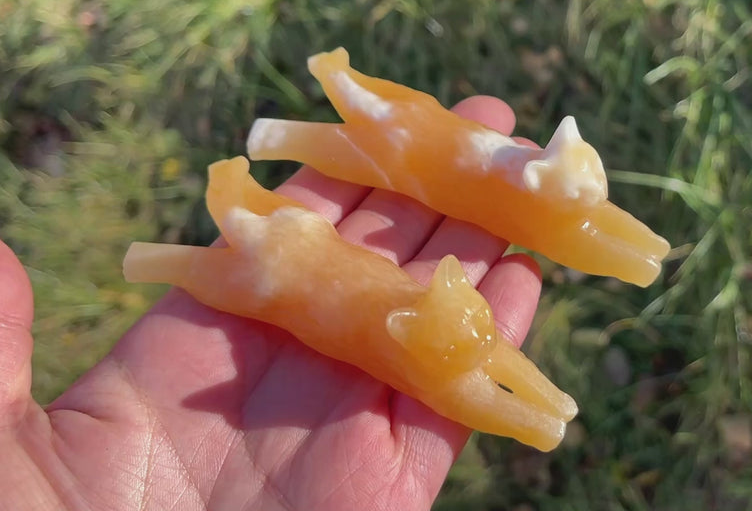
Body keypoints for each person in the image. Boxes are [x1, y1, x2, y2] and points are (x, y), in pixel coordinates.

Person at [0, 97, 542, 510]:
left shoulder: (436, 327)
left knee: (271, 238)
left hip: (323, 264)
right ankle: (166, 250)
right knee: (223, 264)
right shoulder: (416, 341)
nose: (478, 328)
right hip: (297, 276)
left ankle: (195, 226)